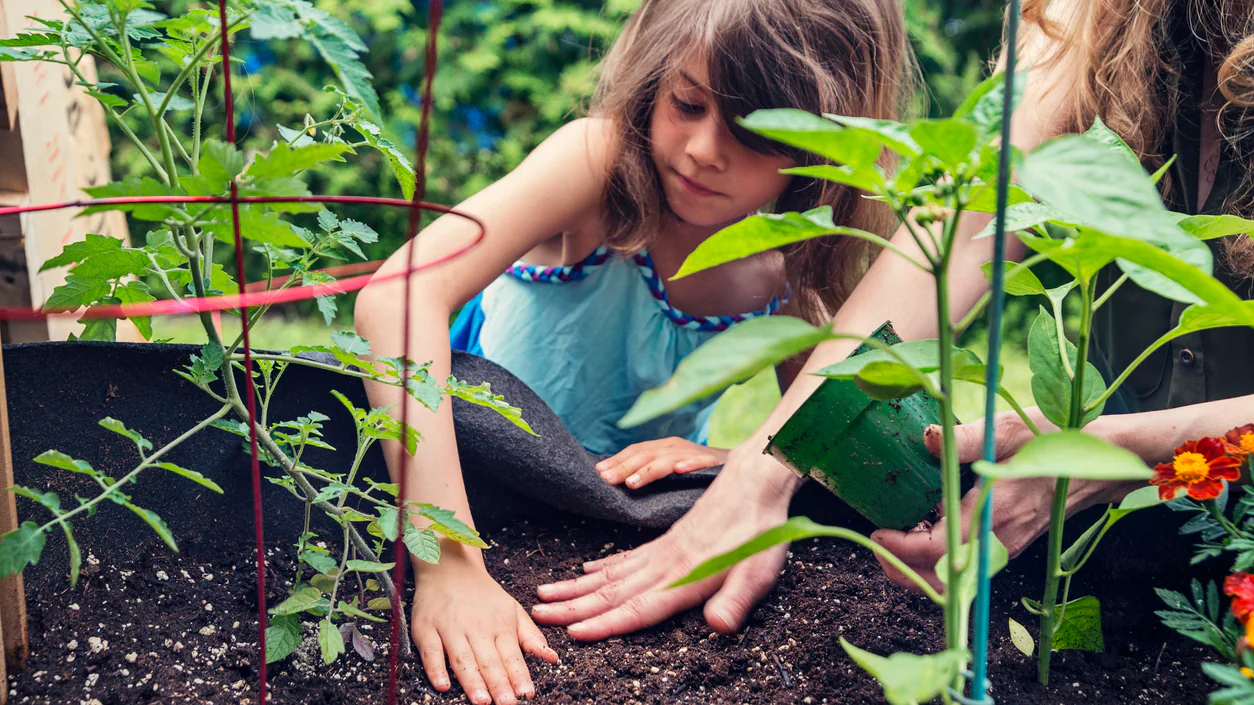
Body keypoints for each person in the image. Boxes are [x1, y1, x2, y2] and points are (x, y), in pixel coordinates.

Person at [531, 0, 1254, 637]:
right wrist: (757, 474)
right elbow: (976, 209)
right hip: (1138, 544)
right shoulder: (1103, 14)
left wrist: (1114, 448)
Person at [353, 1, 911, 703]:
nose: (705, 149)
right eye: (688, 103)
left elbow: (829, 428)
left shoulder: (790, 254)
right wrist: (449, 565)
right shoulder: (598, 166)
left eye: (756, 131)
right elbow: (397, 300)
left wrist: (740, 460)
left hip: (624, 515)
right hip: (477, 470)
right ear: (657, 78)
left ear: (829, 146)